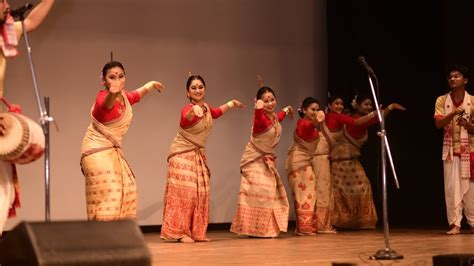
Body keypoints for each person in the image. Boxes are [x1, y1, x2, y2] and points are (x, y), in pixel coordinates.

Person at [160, 75, 244, 243]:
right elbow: (187, 117)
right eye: (193, 88)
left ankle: (196, 232)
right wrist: (193, 110)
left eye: (200, 87)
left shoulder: (206, 108)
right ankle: (181, 232)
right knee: (186, 194)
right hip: (181, 154)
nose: (197, 90)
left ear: (204, 89)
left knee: (200, 193)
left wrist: (231, 104)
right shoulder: (187, 108)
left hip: (197, 154)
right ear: (188, 92)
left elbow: (217, 113)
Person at [80, 61, 165, 221]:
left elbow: (136, 95)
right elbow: (106, 105)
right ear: (104, 81)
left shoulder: (124, 97)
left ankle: (117, 235)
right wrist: (112, 93)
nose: (117, 80)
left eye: (121, 76)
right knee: (111, 192)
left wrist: (151, 84)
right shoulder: (103, 98)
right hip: (96, 151)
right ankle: (104, 238)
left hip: (111, 151)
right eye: (112, 77)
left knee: (128, 188)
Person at [0, 0, 54, 236]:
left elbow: (30, 21)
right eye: (1, 1)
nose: (7, 4)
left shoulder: (5, 32)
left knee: (5, 191)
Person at [330, 94, 405, 229]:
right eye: (366, 104)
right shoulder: (351, 120)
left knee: (364, 186)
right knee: (340, 191)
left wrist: (390, 107)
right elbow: (362, 121)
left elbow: (376, 119)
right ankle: (340, 221)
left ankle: (359, 221)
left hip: (352, 161)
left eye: (370, 105)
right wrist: (376, 113)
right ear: (357, 105)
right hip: (339, 162)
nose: (369, 107)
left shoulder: (364, 120)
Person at [230, 86, 292, 238]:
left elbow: (279, 118)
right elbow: (259, 119)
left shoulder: (273, 117)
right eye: (266, 101)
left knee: (269, 192)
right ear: (259, 102)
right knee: (258, 192)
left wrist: (286, 109)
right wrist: (257, 108)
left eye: (272, 99)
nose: (270, 103)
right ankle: (252, 228)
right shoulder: (260, 119)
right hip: (254, 159)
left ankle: (265, 228)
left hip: (266, 159)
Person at [434, 65, 474, 235]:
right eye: (450, 77)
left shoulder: (473, 101)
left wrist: (468, 125)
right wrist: (453, 114)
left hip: (470, 150)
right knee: (452, 189)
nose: (452, 79)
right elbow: (438, 124)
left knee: (472, 191)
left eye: (457, 76)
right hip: (450, 151)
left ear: (465, 80)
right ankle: (455, 224)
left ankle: (473, 223)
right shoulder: (442, 100)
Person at [285, 97, 325, 235]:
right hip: (298, 163)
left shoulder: (308, 124)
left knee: (308, 194)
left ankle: (305, 226)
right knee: (304, 195)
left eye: (317, 109)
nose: (315, 111)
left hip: (305, 162)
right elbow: (310, 125)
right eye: (312, 109)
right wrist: (317, 120)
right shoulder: (303, 123)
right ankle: (304, 227)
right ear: (304, 110)